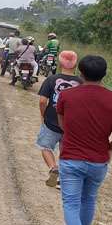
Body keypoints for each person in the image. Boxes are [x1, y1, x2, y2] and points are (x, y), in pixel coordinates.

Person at [55, 55, 112, 225]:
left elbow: (63, 125)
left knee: (71, 203)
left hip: (71, 157)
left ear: (81, 72)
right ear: (104, 75)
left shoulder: (67, 96)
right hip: (99, 160)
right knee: (88, 200)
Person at [36, 50, 81, 188]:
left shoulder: (51, 79)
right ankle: (62, 179)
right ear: (76, 65)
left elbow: (43, 101)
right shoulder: (81, 82)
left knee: (45, 147)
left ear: (60, 63)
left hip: (51, 121)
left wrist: (43, 115)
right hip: (71, 125)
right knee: (65, 151)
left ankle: (53, 167)